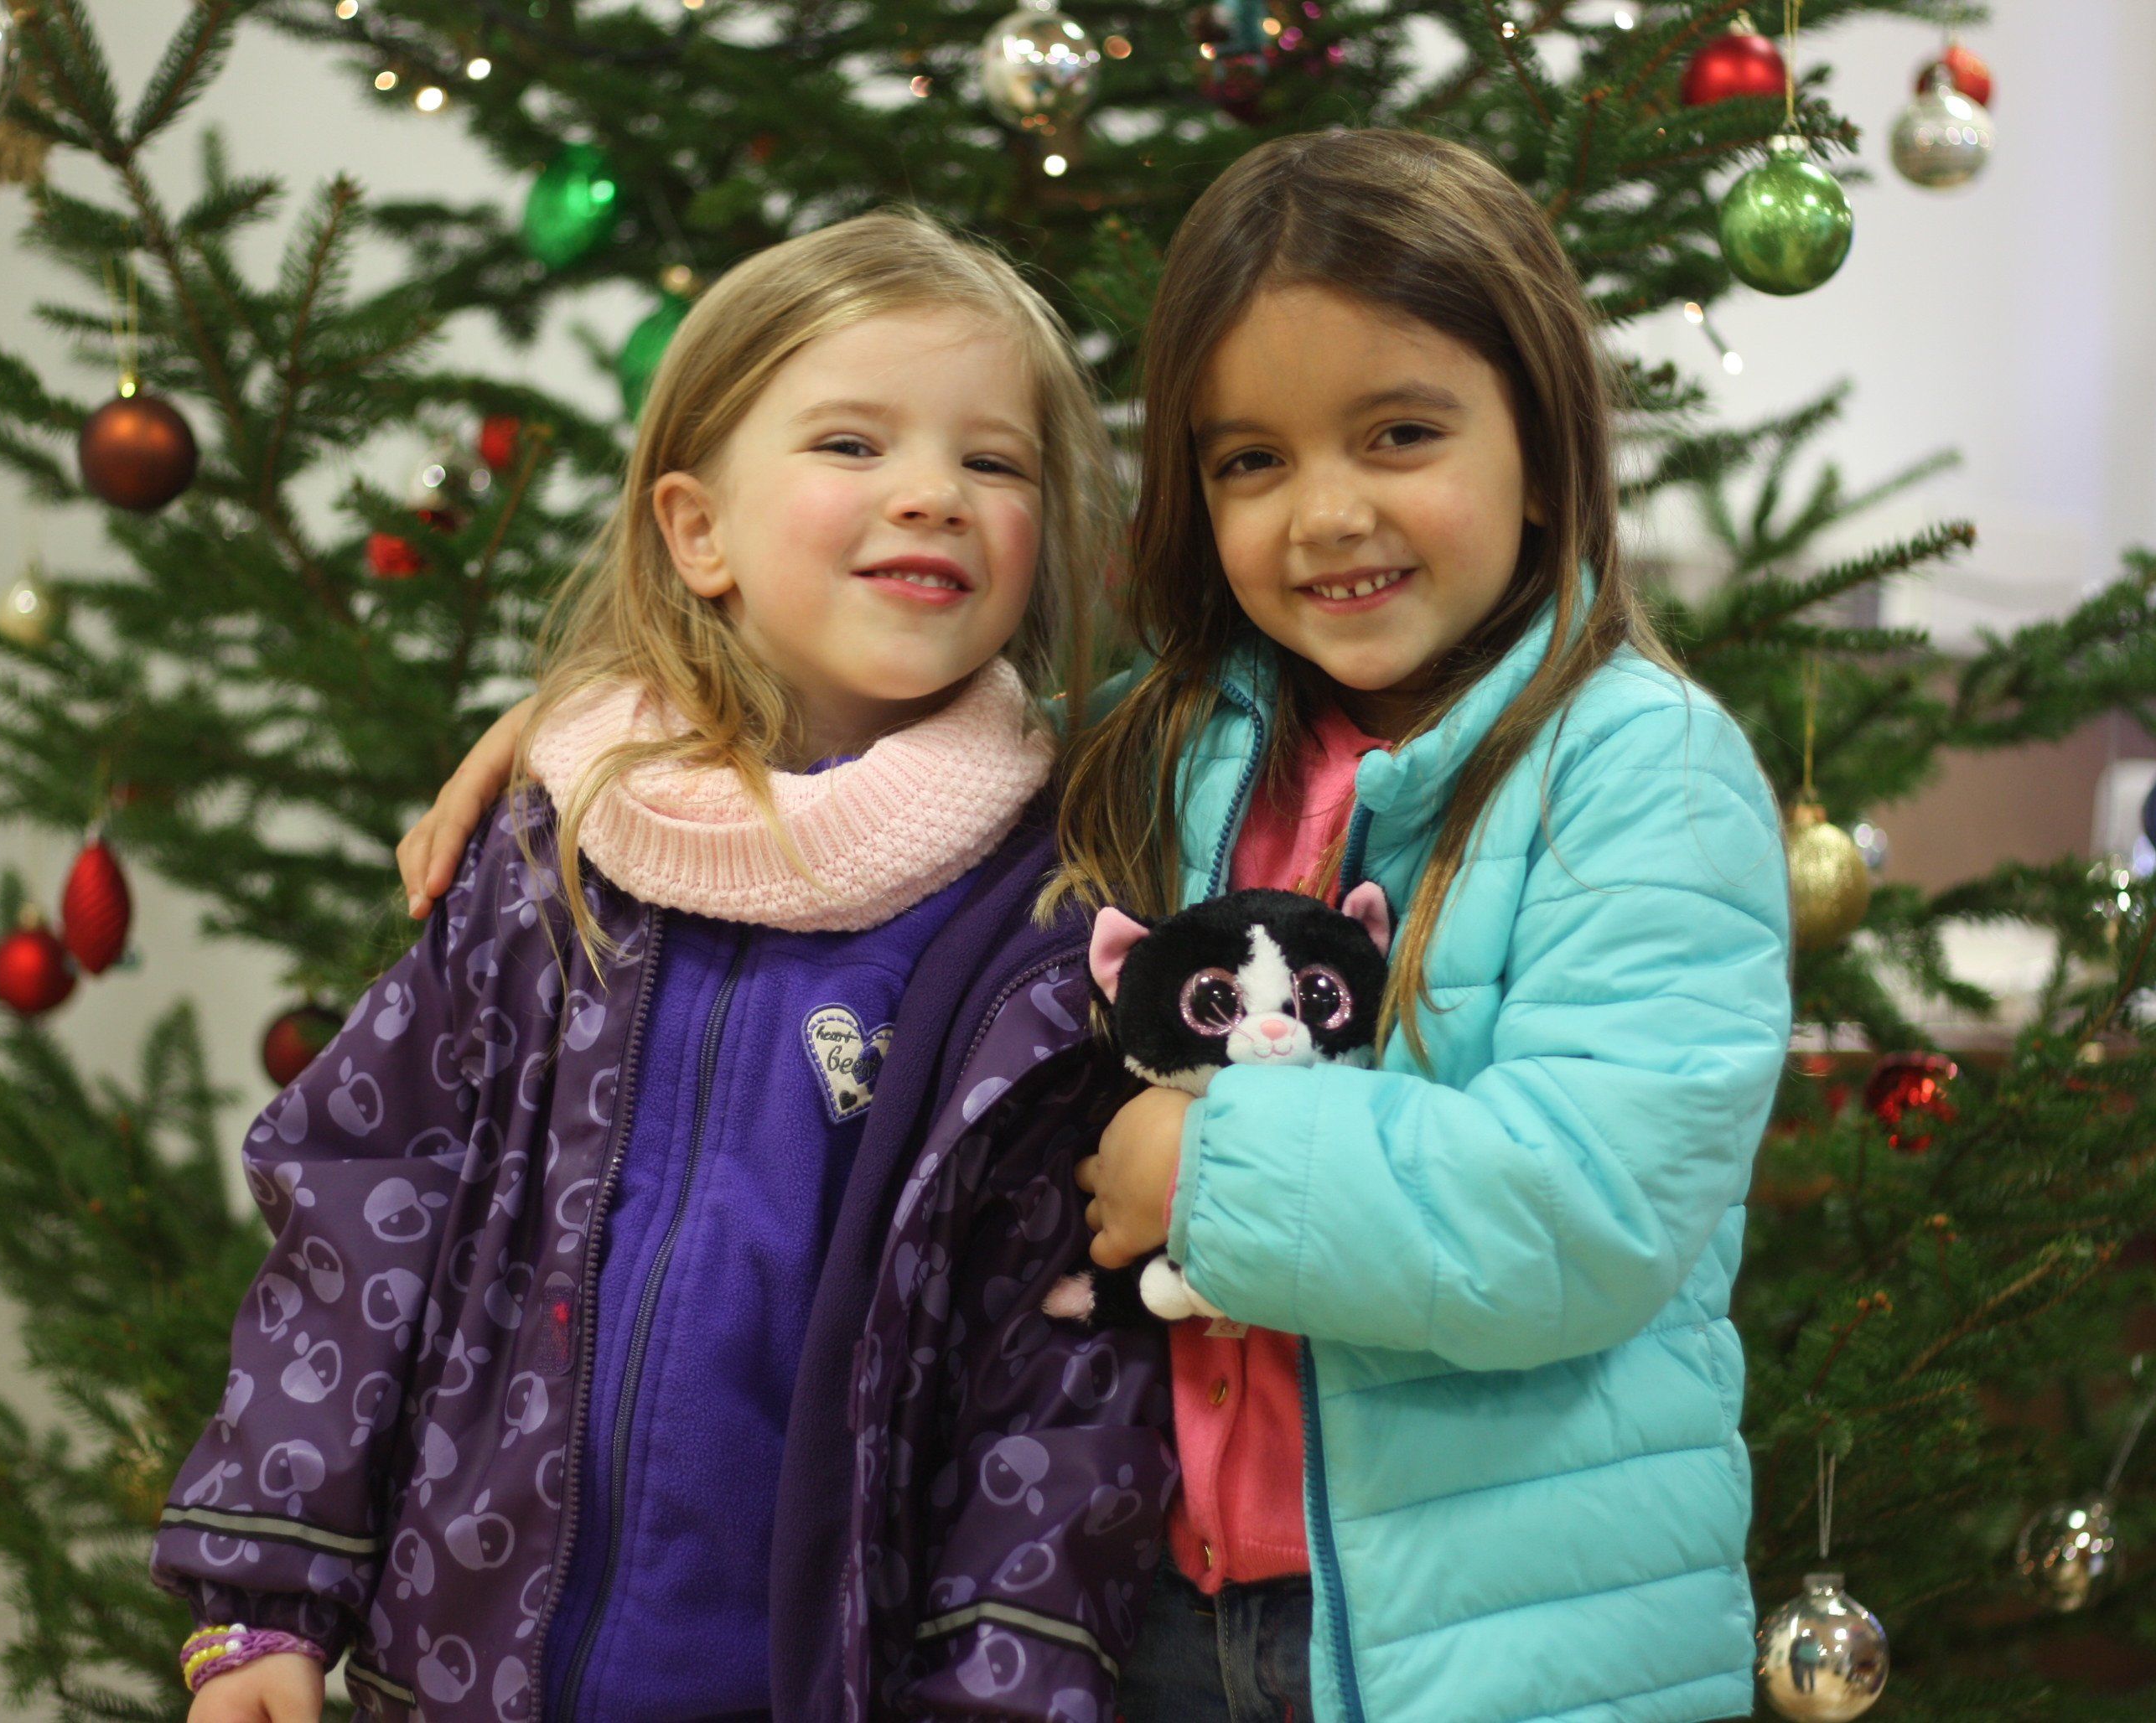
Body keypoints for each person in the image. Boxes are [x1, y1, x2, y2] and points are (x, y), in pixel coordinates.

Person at [405, 131, 1794, 1723]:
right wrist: (602, 733)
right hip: (1155, 1628)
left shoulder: (1642, 770)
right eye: (1251, 461)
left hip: (1496, 1659)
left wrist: (1204, 1171)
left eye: (1401, 434)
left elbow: (1588, 1208)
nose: (1327, 512)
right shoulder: (1164, 748)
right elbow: (880, 761)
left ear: (1544, 450)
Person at [156, 210, 1174, 1723]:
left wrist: (1004, 1684)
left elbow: (1062, 1356)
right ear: (699, 533)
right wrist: (264, 1601)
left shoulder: (1044, 926)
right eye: (851, 444)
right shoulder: (552, 855)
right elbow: (363, 1202)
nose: (932, 494)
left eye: (994, 462)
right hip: (461, 1674)